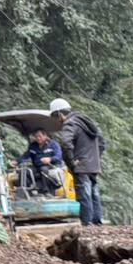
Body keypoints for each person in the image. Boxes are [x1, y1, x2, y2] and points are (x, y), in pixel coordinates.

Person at [50, 97, 106, 226]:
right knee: (94, 192)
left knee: (84, 193)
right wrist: (96, 158)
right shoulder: (88, 123)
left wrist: (72, 162)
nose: (57, 121)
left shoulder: (70, 123)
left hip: (81, 165)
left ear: (59, 113)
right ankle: (97, 221)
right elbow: (102, 143)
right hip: (93, 165)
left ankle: (87, 223)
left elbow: (65, 142)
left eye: (56, 117)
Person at [16, 128, 64, 195]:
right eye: (36, 137)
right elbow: (26, 156)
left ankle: (46, 191)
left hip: (51, 166)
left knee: (43, 169)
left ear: (45, 136)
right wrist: (17, 161)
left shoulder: (53, 144)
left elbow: (58, 156)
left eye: (40, 136)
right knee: (24, 171)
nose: (38, 138)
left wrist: (50, 159)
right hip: (37, 166)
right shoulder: (33, 145)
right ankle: (27, 192)